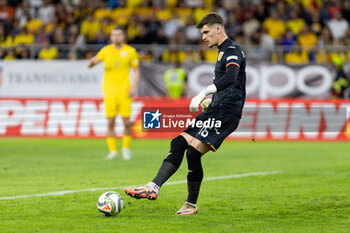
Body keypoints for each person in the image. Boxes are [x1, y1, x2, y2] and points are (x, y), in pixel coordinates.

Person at [125, 12, 246, 215]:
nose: (203, 37)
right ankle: (153, 187)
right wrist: (211, 100)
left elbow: (232, 78)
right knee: (179, 142)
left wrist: (204, 92)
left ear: (218, 29)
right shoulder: (222, 51)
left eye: (206, 32)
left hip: (227, 112)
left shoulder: (232, 49)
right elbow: (229, 84)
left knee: (193, 152)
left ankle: (189, 204)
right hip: (217, 107)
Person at [88, 27, 140, 160]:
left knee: (126, 121)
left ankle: (126, 149)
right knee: (110, 121)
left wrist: (133, 87)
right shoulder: (106, 50)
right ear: (111, 37)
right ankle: (113, 151)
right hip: (109, 91)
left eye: (118, 35)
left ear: (123, 36)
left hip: (124, 91)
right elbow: (93, 63)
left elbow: (136, 71)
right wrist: (91, 63)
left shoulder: (130, 51)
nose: (116, 37)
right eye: (114, 35)